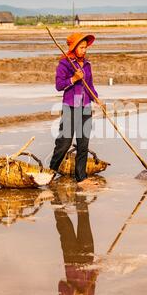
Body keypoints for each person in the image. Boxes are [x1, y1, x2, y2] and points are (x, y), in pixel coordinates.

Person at [49, 33, 100, 189]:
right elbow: (59, 85)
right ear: (74, 47)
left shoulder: (87, 64)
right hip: (71, 107)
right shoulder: (65, 64)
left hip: (85, 107)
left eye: (86, 47)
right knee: (64, 143)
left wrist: (96, 98)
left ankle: (81, 178)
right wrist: (74, 79)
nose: (84, 50)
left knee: (83, 143)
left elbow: (89, 86)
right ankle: (50, 171)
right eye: (81, 47)